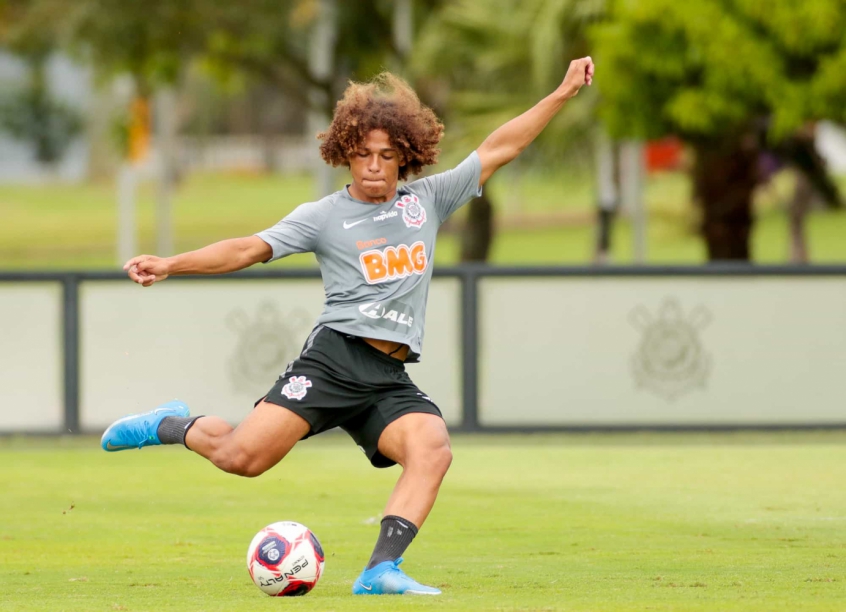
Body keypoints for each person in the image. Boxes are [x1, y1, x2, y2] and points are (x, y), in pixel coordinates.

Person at [101, 57, 595, 596]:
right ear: (345, 155)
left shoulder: (426, 201)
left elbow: (502, 146)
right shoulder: (324, 216)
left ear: (406, 156)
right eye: (363, 155)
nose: (375, 166)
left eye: (387, 155)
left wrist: (563, 92)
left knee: (432, 447)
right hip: (334, 360)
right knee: (242, 458)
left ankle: (380, 571)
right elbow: (246, 248)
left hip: (387, 374)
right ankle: (169, 424)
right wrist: (171, 264)